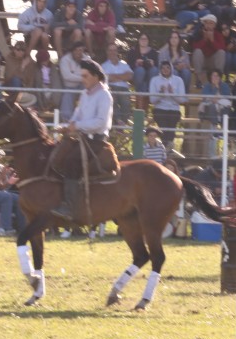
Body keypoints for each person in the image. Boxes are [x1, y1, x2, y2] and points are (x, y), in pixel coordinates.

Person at [51, 59, 118, 222]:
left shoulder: (104, 95)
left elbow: (101, 122)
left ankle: (69, 207)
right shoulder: (84, 94)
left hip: (97, 141)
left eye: (86, 76)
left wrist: (77, 126)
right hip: (81, 138)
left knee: (72, 161)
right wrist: (67, 127)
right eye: (82, 76)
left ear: (96, 76)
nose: (83, 79)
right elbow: (77, 115)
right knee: (55, 153)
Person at [148, 60, 187, 147]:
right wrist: (160, 94)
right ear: (160, 69)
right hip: (159, 109)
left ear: (171, 69)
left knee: (171, 126)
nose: (165, 70)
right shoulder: (154, 80)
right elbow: (152, 100)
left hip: (174, 109)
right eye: (163, 68)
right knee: (164, 128)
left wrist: (172, 93)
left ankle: (166, 146)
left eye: (168, 67)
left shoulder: (178, 80)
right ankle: (168, 145)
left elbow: (182, 100)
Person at [191, 15, 226, 88]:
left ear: (215, 25)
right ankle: (199, 80)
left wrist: (212, 40)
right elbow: (194, 47)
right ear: (204, 24)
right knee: (197, 52)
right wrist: (204, 39)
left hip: (213, 61)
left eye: (211, 23)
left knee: (221, 53)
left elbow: (222, 48)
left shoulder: (218, 34)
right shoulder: (198, 33)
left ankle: (218, 79)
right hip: (202, 61)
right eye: (206, 23)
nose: (208, 25)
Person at [126, 33, 159, 109]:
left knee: (154, 70)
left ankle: (147, 92)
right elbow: (128, 66)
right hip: (137, 76)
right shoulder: (133, 51)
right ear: (138, 40)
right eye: (142, 38)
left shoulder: (153, 52)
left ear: (148, 41)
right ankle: (141, 94)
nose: (143, 41)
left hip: (149, 77)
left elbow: (158, 67)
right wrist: (136, 64)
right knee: (140, 70)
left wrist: (152, 63)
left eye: (145, 39)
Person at [58, 41, 88, 122]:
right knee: (67, 95)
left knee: (90, 93)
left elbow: (89, 74)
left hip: (83, 85)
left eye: (81, 50)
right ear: (72, 51)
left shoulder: (87, 59)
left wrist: (76, 76)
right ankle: (67, 121)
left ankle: (86, 118)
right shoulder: (65, 60)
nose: (79, 52)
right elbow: (66, 76)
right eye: (77, 50)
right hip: (69, 86)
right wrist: (82, 78)